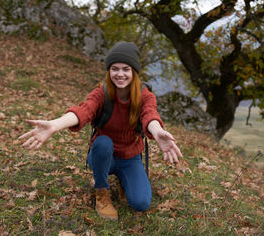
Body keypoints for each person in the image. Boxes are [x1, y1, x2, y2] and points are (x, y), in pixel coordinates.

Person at [19, 41, 183, 220]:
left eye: (126, 69)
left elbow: (150, 114)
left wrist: (157, 131)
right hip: (103, 155)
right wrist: (55, 125)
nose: (120, 74)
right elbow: (84, 111)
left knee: (140, 203)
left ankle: (123, 180)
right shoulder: (101, 93)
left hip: (130, 157)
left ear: (134, 72)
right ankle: (102, 190)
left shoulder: (145, 95)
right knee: (103, 142)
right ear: (109, 71)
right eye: (115, 69)